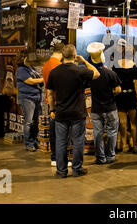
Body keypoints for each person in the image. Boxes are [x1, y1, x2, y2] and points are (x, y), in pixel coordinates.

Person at [46, 44, 100, 178]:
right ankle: (77, 169)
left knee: (61, 142)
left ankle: (62, 171)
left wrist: (52, 109)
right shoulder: (80, 70)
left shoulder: (55, 72)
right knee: (78, 142)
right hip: (77, 112)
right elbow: (97, 73)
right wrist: (85, 61)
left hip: (61, 112)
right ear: (75, 56)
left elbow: (50, 94)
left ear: (62, 56)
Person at [87, 42, 122, 164]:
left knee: (98, 133)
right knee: (112, 131)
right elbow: (118, 89)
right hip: (110, 107)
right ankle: (111, 156)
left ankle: (100, 157)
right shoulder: (110, 73)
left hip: (96, 109)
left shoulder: (90, 75)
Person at [113, 42, 137, 153]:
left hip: (120, 96)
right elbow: (136, 84)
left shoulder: (116, 65)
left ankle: (124, 144)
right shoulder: (135, 66)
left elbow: (115, 85)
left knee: (123, 123)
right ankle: (134, 145)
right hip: (131, 95)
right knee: (133, 123)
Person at [15, 50, 44, 152]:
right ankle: (28, 144)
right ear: (24, 58)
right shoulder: (21, 70)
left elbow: (37, 78)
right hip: (27, 98)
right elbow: (30, 81)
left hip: (36, 97)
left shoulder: (31, 68)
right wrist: (44, 79)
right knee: (29, 122)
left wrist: (41, 80)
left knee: (36, 122)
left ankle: (35, 141)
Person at [42, 43, 64, 166]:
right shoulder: (57, 66)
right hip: (57, 103)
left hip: (50, 102)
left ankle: (55, 157)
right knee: (60, 133)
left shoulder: (46, 64)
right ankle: (57, 157)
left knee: (53, 131)